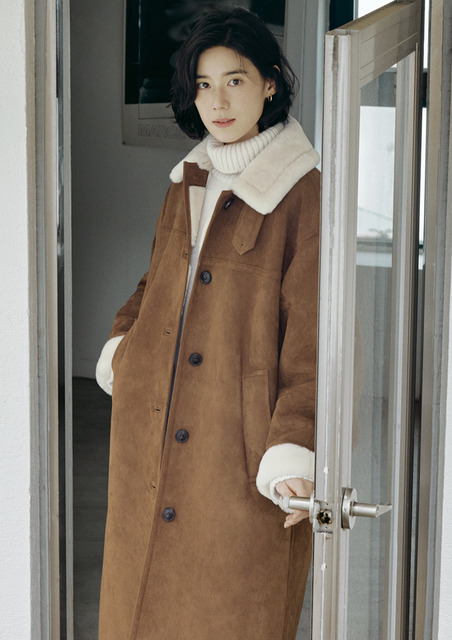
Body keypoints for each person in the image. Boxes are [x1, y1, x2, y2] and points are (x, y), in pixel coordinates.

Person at [95, 7, 320, 639]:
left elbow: (315, 338)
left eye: (235, 80)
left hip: (235, 446)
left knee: (230, 607)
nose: (217, 102)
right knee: (137, 604)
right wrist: (122, 348)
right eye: (203, 84)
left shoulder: (302, 192)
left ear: (270, 82)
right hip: (150, 425)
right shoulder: (188, 179)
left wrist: (294, 443)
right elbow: (155, 280)